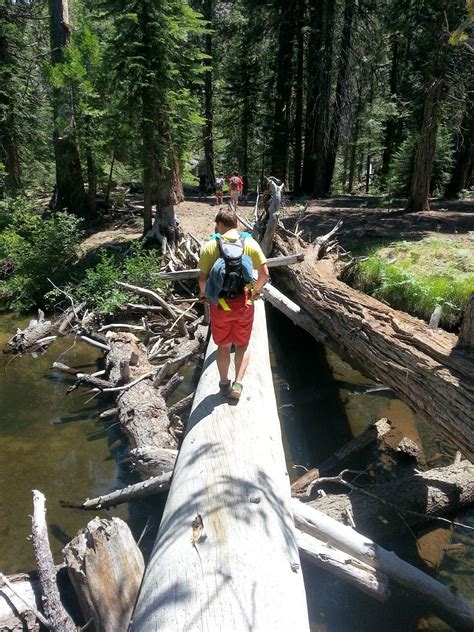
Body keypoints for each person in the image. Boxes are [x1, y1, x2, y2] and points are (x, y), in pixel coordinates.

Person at [198, 207, 269, 400]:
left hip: (220, 305)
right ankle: (238, 383)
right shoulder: (250, 243)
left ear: (220, 225)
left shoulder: (211, 246)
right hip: (244, 303)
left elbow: (202, 279)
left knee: (223, 346)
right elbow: (265, 275)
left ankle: (223, 383)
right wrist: (253, 293)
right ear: (236, 224)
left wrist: (205, 295)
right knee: (242, 345)